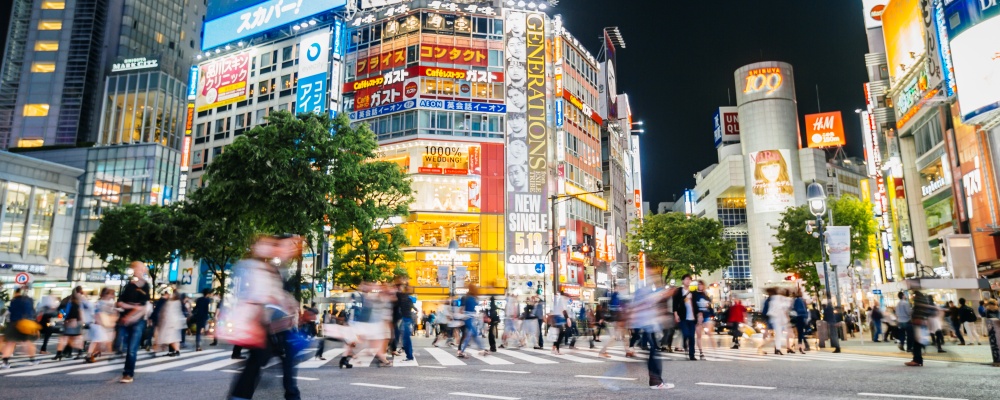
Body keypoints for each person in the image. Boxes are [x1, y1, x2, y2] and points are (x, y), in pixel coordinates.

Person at [229, 235, 303, 400]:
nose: (292, 249)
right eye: (288, 245)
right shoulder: (263, 267)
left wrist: (289, 303)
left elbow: (277, 295)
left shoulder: (278, 268)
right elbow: (261, 296)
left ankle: (291, 394)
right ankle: (240, 396)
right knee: (257, 362)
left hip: (277, 325)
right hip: (267, 324)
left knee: (270, 362)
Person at [633, 266, 674, 389]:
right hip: (647, 325)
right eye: (651, 272)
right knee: (654, 352)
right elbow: (647, 302)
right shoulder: (642, 289)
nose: (653, 275)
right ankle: (656, 382)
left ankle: (655, 381)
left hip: (649, 325)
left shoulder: (646, 288)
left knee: (654, 352)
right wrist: (662, 295)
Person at [117, 261, 152, 383]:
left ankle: (128, 374)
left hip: (137, 321)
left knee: (132, 348)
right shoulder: (129, 285)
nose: (136, 270)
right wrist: (133, 306)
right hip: (125, 320)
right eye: (134, 268)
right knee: (120, 345)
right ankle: (127, 369)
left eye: (139, 268)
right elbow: (119, 302)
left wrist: (131, 312)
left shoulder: (145, 286)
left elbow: (142, 307)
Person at [1, 287, 40, 369]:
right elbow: (32, 312)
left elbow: (10, 311)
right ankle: (32, 360)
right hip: (25, 324)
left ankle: (5, 362)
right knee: (28, 342)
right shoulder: (29, 300)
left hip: (13, 323)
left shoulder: (13, 301)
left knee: (10, 343)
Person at [86, 288, 118, 363]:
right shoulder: (102, 303)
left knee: (101, 341)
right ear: (105, 295)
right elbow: (100, 314)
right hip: (99, 324)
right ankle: (90, 355)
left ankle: (94, 353)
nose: (112, 296)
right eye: (111, 294)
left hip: (101, 324)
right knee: (99, 340)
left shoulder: (102, 303)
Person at [53, 286, 85, 361]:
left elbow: (60, 309)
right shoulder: (78, 301)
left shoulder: (68, 299)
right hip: (75, 321)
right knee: (76, 338)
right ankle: (79, 352)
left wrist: (64, 318)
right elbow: (78, 312)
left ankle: (59, 353)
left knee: (65, 338)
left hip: (68, 321)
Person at [457, 284, 488, 358]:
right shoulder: (472, 298)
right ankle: (481, 349)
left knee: (472, 334)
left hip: (469, 317)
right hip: (470, 317)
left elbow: (462, 309)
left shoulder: (467, 297)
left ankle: (462, 351)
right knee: (472, 334)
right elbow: (472, 306)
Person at [672, 274, 699, 361]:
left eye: (689, 279)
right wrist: (676, 315)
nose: (688, 281)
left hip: (692, 318)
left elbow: (695, 305)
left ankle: (692, 355)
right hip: (682, 317)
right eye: (686, 279)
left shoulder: (693, 293)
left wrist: (698, 315)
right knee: (686, 334)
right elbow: (675, 304)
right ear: (683, 281)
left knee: (692, 336)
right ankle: (684, 342)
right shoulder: (678, 291)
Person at [155, 289, 184, 357]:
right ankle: (173, 351)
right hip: (175, 322)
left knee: (172, 338)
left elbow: (167, 313)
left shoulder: (171, 302)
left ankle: (176, 351)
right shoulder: (177, 302)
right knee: (174, 338)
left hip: (171, 322)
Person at [394, 277, 416, 363]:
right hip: (405, 319)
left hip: (406, 319)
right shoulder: (405, 297)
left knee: (405, 338)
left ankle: (409, 356)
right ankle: (409, 355)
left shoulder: (404, 296)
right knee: (404, 337)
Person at [694, 280, 716, 359]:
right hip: (698, 317)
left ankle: (715, 352)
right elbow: (693, 306)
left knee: (710, 333)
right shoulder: (695, 295)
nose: (700, 286)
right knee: (699, 335)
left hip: (706, 316)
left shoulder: (706, 296)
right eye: (699, 285)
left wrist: (712, 314)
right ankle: (701, 352)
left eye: (702, 285)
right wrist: (698, 314)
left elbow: (710, 307)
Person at [36, 290, 59, 354]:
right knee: (48, 332)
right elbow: (54, 312)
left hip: (42, 321)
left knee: (44, 332)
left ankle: (42, 348)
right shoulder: (50, 304)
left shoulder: (43, 303)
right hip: (48, 320)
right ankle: (43, 349)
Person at [791, 289, 810, 353]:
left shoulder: (796, 300)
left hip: (798, 317)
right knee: (801, 333)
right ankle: (801, 346)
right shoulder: (801, 300)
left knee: (800, 333)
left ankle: (800, 346)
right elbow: (804, 309)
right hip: (802, 317)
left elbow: (794, 309)